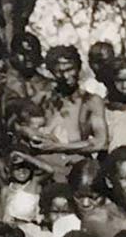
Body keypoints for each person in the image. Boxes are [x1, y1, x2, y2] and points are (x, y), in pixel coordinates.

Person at [25, 46, 107, 178]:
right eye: (59, 72)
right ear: (52, 72)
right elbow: (22, 125)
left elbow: (101, 142)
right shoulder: (43, 99)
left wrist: (57, 146)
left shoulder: (91, 101)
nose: (66, 76)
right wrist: (34, 135)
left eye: (70, 69)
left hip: (77, 165)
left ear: (78, 67)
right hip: (46, 163)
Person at [0, 33, 51, 130]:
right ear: (13, 55)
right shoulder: (5, 84)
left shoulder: (48, 85)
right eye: (22, 53)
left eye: (32, 53)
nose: (28, 57)